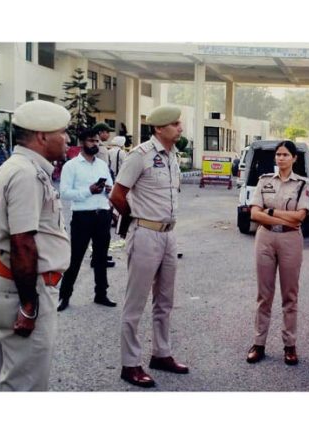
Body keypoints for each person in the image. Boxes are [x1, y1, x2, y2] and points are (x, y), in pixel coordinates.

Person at [0, 100, 71, 391]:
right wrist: (29, 305)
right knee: (25, 382)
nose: (67, 139)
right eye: (63, 132)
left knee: (8, 370)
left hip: (11, 281)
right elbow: (22, 243)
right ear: (42, 136)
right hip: (25, 285)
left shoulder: (19, 166)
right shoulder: (26, 174)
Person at [109, 105, 188, 388]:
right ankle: (130, 364)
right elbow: (117, 194)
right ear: (158, 128)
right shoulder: (140, 155)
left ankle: (161, 353)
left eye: (180, 123)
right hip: (144, 233)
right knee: (136, 303)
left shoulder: (172, 156)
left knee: (164, 301)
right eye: (175, 124)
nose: (180, 128)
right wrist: (133, 219)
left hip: (168, 234)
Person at [245, 140, 309, 366]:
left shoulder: (302, 184)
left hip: (290, 240)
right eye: (278, 154)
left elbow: (300, 217)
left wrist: (269, 211)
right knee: (264, 295)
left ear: (294, 158)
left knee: (290, 295)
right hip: (265, 238)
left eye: (285, 155)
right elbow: (255, 214)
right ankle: (258, 343)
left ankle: (290, 345)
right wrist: (277, 215)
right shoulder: (264, 181)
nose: (281, 158)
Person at [57, 128, 116, 312]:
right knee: (75, 257)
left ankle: (101, 294)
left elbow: (112, 187)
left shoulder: (102, 165)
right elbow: (64, 193)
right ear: (82, 142)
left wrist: (107, 189)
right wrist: (88, 191)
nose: (95, 144)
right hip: (83, 217)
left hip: (102, 215)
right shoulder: (71, 166)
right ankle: (64, 296)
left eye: (97, 141)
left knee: (100, 257)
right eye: (91, 141)